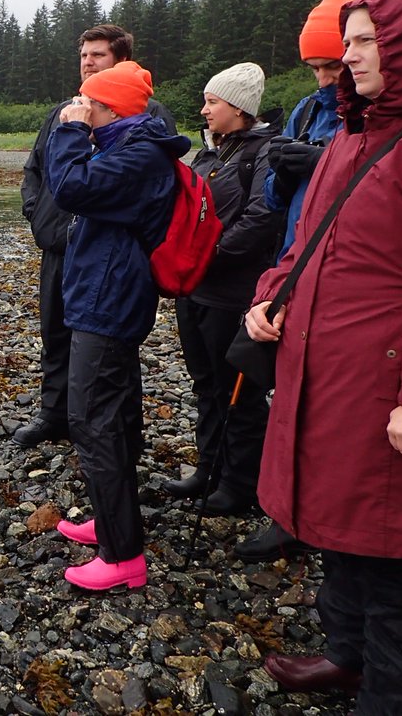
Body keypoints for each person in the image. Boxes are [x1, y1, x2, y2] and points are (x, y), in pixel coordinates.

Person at [246, 0, 402, 715]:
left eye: (363, 41)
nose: (348, 57)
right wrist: (268, 296)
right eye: (346, 44)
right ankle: (346, 657)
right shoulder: (350, 139)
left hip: (398, 390)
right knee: (340, 526)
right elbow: (308, 244)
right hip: (329, 379)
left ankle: (391, 697)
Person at [44, 61, 189, 590]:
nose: (81, 107)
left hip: (110, 303)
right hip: (106, 297)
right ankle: (112, 523)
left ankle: (123, 554)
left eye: (90, 102)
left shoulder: (137, 157)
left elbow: (71, 188)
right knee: (117, 414)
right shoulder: (132, 149)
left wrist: (70, 130)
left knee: (93, 420)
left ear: (112, 109)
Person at [234, 0, 353, 562]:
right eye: (318, 69)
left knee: (331, 410)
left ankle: (328, 522)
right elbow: (280, 202)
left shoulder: (371, 114)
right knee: (283, 398)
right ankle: (286, 513)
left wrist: (323, 164)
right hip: (294, 264)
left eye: (337, 67)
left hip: (345, 278)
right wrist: (285, 169)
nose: (328, 79)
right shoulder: (308, 110)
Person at [17, 25, 175, 448]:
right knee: (56, 335)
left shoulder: (147, 114)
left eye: (98, 55)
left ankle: (122, 430)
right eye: (84, 55)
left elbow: (148, 185)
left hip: (108, 252)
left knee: (109, 345)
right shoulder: (63, 111)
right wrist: (39, 218)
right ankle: (54, 415)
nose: (88, 62)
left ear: (120, 61)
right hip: (58, 245)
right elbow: (34, 170)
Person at [164, 63, 282, 515]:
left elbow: (261, 220)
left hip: (235, 293)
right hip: (194, 290)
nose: (204, 109)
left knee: (239, 392)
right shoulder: (209, 154)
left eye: (212, 101)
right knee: (204, 384)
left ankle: (241, 484)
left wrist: (206, 256)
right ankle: (208, 469)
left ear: (239, 107)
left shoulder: (265, 152)